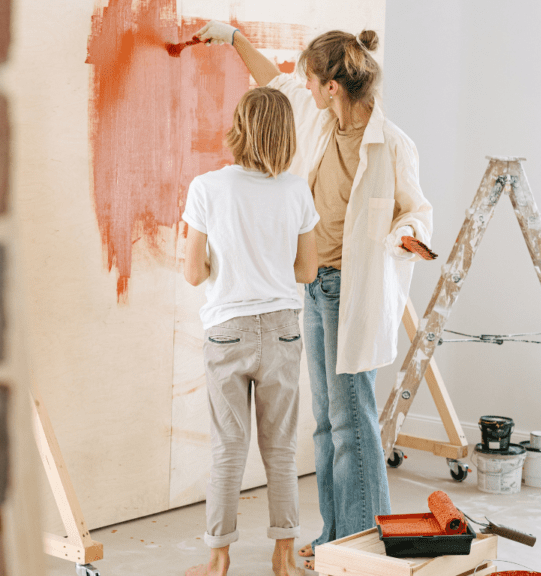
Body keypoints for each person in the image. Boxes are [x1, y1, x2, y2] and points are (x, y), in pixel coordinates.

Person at [197, 21, 434, 570]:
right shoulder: (316, 113)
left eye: (310, 78)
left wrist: (409, 238)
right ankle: (335, 533)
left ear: (332, 85)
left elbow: (416, 209)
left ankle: (361, 539)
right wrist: (233, 39)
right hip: (315, 285)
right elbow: (272, 81)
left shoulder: (391, 143)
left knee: (353, 417)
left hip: (355, 290)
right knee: (327, 422)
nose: (301, 85)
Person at [181, 86, 320, 576]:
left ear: (238, 127)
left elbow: (193, 273)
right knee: (281, 449)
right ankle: (284, 556)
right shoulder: (297, 189)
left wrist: (227, 258)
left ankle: (218, 559)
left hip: (227, 330)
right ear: (285, 134)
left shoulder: (206, 187)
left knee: (228, 447)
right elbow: (306, 271)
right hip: (282, 329)